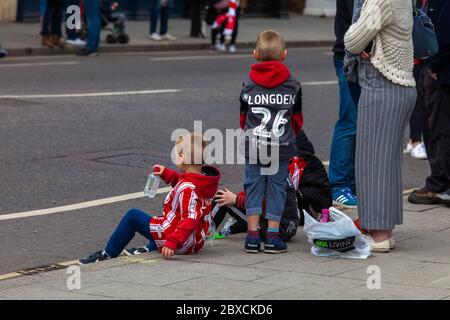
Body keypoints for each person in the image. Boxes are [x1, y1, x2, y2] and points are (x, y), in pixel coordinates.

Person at [78, 132, 220, 264]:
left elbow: (190, 218)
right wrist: (167, 174)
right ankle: (151, 247)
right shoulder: (202, 181)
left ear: (182, 156)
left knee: (133, 216)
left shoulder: (188, 188)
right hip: (194, 241)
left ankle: (107, 254)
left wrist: (172, 242)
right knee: (160, 220)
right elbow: (186, 185)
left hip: (183, 243)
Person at [345, 0, 417, 252]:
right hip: (402, 85)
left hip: (382, 86)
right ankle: (386, 230)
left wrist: (362, 39)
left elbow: (352, 40)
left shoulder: (380, 0)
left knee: (371, 163)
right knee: (387, 164)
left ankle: (378, 235)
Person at [239, 30, 303, 254]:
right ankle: (273, 237)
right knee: (277, 189)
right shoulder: (293, 84)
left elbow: (243, 116)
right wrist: (288, 135)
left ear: (255, 54)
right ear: (284, 55)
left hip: (254, 145)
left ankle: (252, 237)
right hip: (281, 147)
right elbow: (296, 118)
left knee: (253, 187)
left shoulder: (248, 83)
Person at [212, 129, 332, 239]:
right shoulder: (280, 168)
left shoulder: (284, 167)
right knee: (239, 201)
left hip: (283, 226)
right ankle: (228, 229)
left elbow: (265, 202)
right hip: (289, 223)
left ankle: (205, 233)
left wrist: (236, 199)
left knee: (221, 198)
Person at [408, 0, 450, 206]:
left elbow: (443, 34)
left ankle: (440, 183)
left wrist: (434, 65)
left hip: (440, 72)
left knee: (438, 128)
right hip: (436, 69)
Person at [329, 0, 360, 208]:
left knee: (363, 122)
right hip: (349, 56)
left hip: (366, 57)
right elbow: (357, 20)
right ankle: (339, 184)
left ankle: (357, 183)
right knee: (350, 120)